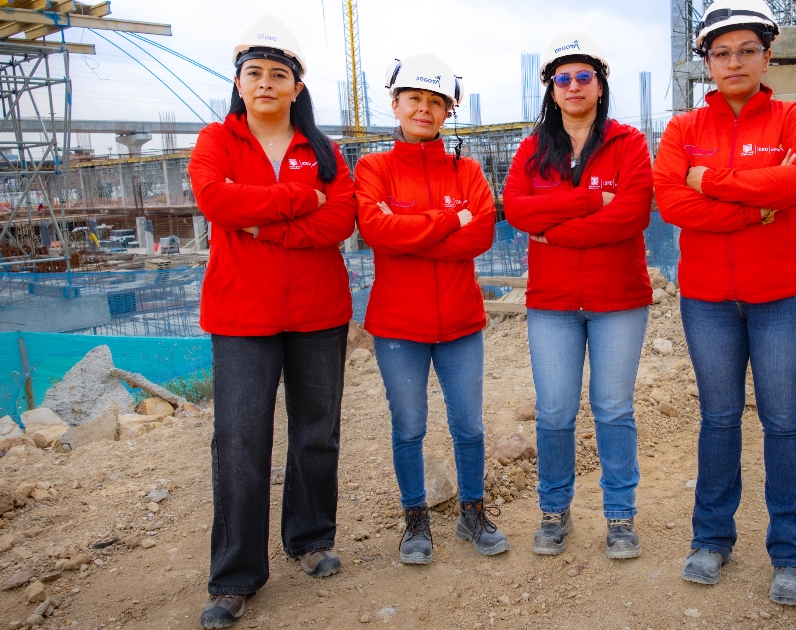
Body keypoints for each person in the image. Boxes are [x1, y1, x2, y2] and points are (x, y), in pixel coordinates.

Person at [651, 0, 796, 607]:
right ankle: (711, 540)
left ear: (766, 56)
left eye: (747, 50)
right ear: (707, 63)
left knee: (784, 422)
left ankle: (791, 556)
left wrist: (711, 182)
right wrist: (758, 207)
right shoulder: (683, 131)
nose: (734, 62)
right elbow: (672, 202)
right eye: (721, 53)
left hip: (784, 296)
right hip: (709, 300)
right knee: (719, 418)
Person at [187, 15, 357, 629]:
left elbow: (340, 221)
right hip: (242, 314)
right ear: (238, 83)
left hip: (318, 311)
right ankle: (235, 576)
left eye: (277, 74)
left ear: (296, 86)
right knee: (239, 440)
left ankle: (310, 538)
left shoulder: (323, 151)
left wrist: (260, 225)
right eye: (254, 73)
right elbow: (216, 200)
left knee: (317, 431)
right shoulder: (216, 141)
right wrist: (298, 201)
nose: (265, 83)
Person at [503, 31, 654, 560]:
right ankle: (554, 511)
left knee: (613, 409)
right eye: (562, 78)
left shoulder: (629, 143)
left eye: (583, 76)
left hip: (618, 300)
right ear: (551, 88)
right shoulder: (532, 149)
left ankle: (620, 516)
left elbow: (631, 214)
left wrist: (555, 229)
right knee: (554, 412)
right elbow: (517, 210)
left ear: (600, 84)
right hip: (553, 302)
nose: (573, 86)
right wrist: (592, 201)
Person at [354, 54, 507, 565]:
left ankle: (472, 513)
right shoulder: (373, 168)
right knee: (409, 426)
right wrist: (449, 219)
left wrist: (411, 232)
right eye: (414, 99)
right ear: (395, 103)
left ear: (448, 111)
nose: (424, 109)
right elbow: (377, 232)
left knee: (469, 426)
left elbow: (479, 235)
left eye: (435, 102)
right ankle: (415, 519)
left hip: (460, 322)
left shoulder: (467, 170)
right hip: (398, 326)